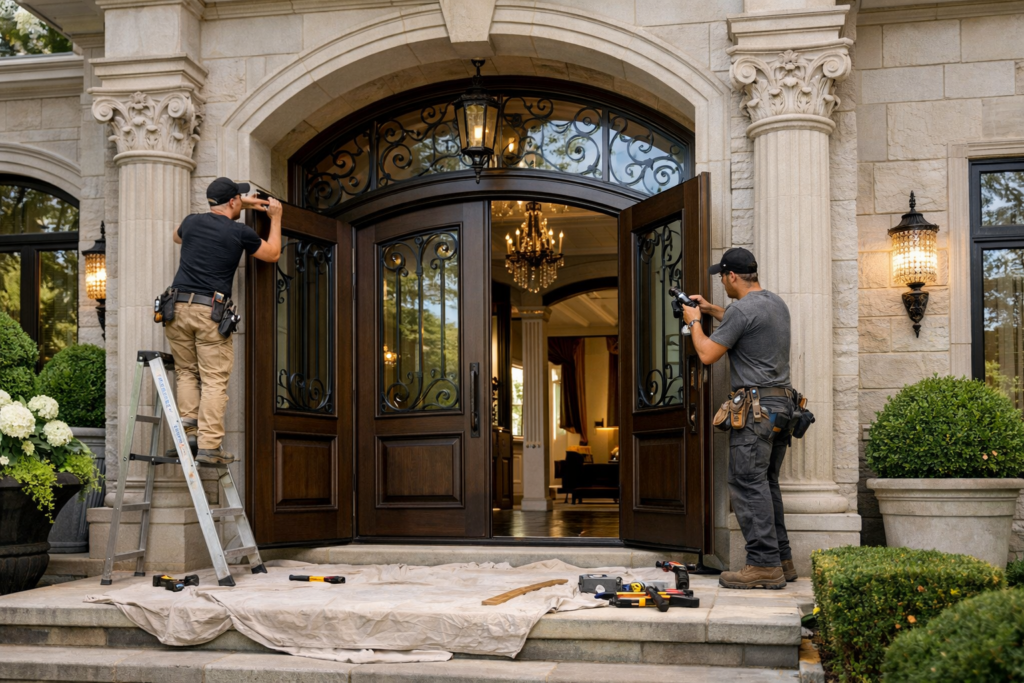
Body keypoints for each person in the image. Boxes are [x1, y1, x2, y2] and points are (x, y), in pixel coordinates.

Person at [681, 247, 797, 590]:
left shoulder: (741, 312)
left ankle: (762, 565)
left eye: (722, 276)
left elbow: (706, 354)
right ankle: (782, 561)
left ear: (732, 276)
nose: (722, 282)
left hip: (755, 412)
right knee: (766, 484)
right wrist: (712, 309)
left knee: (747, 484)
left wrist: (693, 321)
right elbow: (744, 324)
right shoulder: (775, 303)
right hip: (783, 408)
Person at [164, 177, 282, 465]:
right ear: (232, 202)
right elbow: (273, 253)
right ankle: (209, 446)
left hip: (176, 307)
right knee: (214, 379)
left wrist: (243, 202)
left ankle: (189, 434)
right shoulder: (240, 232)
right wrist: (276, 219)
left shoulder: (191, 221)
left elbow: (176, 237)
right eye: (238, 199)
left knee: (186, 373)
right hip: (210, 311)